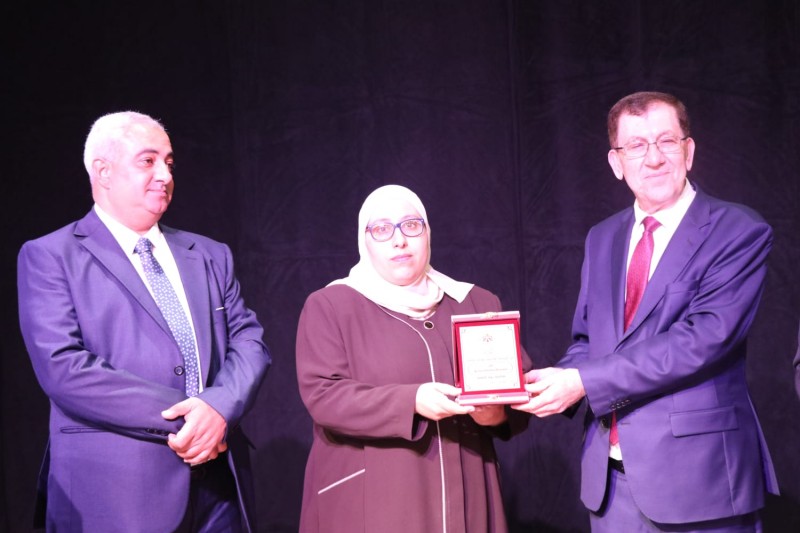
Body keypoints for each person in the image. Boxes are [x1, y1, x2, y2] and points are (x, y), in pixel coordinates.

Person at [513, 92, 778, 531]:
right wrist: (547, 383)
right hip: (611, 486)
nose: (653, 158)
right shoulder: (602, 237)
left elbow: (702, 340)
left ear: (688, 151)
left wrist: (582, 382)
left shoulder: (737, 231)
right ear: (616, 162)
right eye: (636, 145)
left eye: (666, 141)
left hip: (700, 481)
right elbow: (589, 341)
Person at [17, 111, 271, 532]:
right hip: (116, 493)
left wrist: (219, 406)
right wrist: (195, 419)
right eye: (148, 161)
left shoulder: (209, 254)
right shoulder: (51, 256)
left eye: (169, 163)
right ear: (103, 171)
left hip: (218, 488)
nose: (165, 175)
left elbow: (249, 340)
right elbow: (64, 368)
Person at [295, 185, 531, 532]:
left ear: (427, 232)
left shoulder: (475, 302)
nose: (399, 240)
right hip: (378, 502)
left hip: (468, 493)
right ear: (364, 241)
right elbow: (324, 397)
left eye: (411, 225)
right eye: (381, 229)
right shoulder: (332, 305)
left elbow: (517, 396)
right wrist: (413, 401)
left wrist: (495, 413)